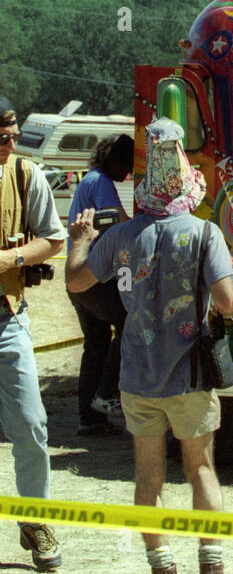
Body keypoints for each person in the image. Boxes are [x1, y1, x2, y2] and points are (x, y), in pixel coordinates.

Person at [66, 118, 233, 574]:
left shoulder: (124, 235)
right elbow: (228, 302)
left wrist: (81, 239)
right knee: (200, 469)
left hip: (137, 376)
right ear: (189, 181)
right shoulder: (205, 233)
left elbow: (77, 283)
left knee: (148, 474)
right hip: (190, 375)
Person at [0, 105, 65, 571]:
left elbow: (53, 239)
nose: (11, 144)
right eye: (3, 137)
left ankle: (36, 521)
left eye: (14, 134)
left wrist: (14, 259)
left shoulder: (26, 175)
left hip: (7, 319)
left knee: (30, 424)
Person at [67, 133, 134, 435]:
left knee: (95, 344)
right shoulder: (102, 183)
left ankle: (89, 418)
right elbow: (119, 221)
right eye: (128, 166)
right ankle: (107, 394)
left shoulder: (89, 180)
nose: (128, 174)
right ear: (115, 161)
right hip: (95, 277)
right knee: (130, 322)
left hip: (78, 276)